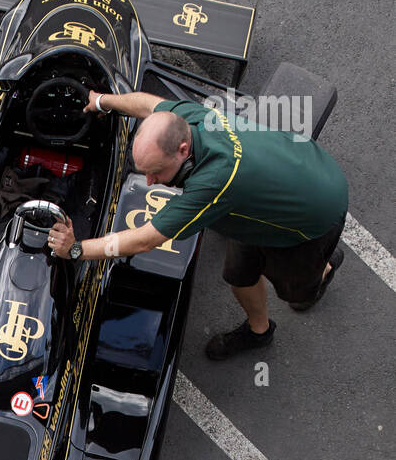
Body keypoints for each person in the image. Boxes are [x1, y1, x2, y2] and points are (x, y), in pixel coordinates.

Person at [49, 88, 348, 359]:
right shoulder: (190, 118)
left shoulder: (213, 185)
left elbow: (144, 240)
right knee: (239, 276)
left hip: (316, 214)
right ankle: (260, 333)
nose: (150, 182)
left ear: (182, 151)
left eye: (156, 172)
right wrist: (102, 101)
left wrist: (75, 250)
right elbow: (147, 104)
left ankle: (323, 266)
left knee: (297, 294)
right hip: (299, 166)